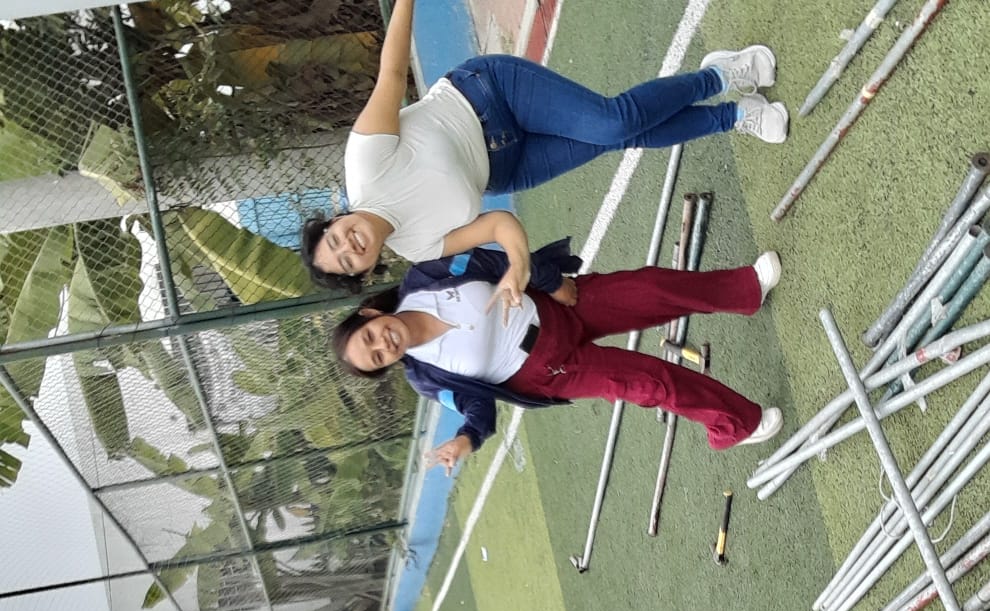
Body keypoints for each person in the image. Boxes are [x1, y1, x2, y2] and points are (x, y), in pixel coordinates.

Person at [299, 0, 788, 302]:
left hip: (490, 95)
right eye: (347, 263)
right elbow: (497, 224)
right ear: (365, 272)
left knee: (613, 121)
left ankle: (720, 75)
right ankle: (735, 116)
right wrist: (518, 265)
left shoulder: (365, 163)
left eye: (335, 239)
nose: (349, 247)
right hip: (507, 167)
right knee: (624, 137)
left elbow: (390, 75)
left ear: (337, 220)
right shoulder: (416, 249)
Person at [331, 238, 785, 464]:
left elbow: (495, 260)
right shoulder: (426, 378)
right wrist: (465, 440)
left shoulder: (424, 278)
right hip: (552, 369)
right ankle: (736, 425)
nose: (383, 345)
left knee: (651, 288)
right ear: (387, 367)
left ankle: (745, 289)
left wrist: (551, 283)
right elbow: (476, 405)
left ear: (370, 314)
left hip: (557, 304)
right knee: (650, 383)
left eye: (370, 337)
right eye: (377, 358)